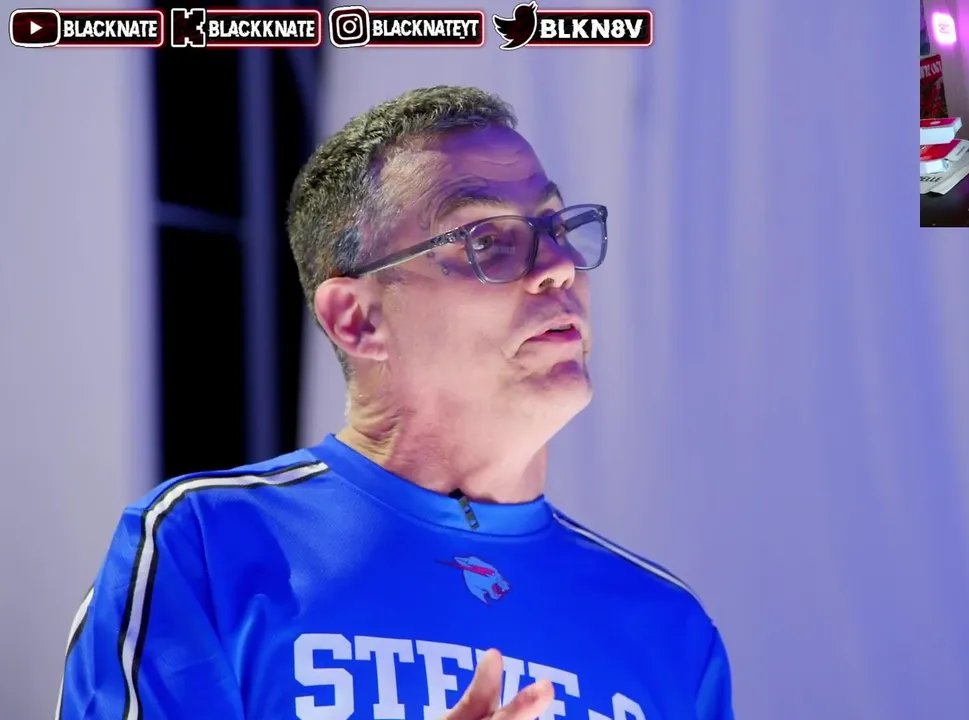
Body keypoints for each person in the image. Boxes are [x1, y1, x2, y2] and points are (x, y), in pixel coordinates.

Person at [57, 86, 735, 720]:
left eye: (556, 226)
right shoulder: (206, 544)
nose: (558, 266)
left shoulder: (671, 632)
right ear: (357, 320)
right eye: (486, 240)